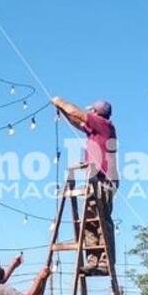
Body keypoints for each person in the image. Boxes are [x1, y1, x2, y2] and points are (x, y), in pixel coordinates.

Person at [52, 96, 118, 276]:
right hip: (95, 178)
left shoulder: (104, 125)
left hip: (104, 180)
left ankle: (105, 261)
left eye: (91, 111)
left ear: (96, 113)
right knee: (89, 219)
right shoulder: (96, 128)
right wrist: (65, 113)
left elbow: (78, 113)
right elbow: (76, 121)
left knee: (101, 219)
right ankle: (93, 260)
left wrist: (60, 102)